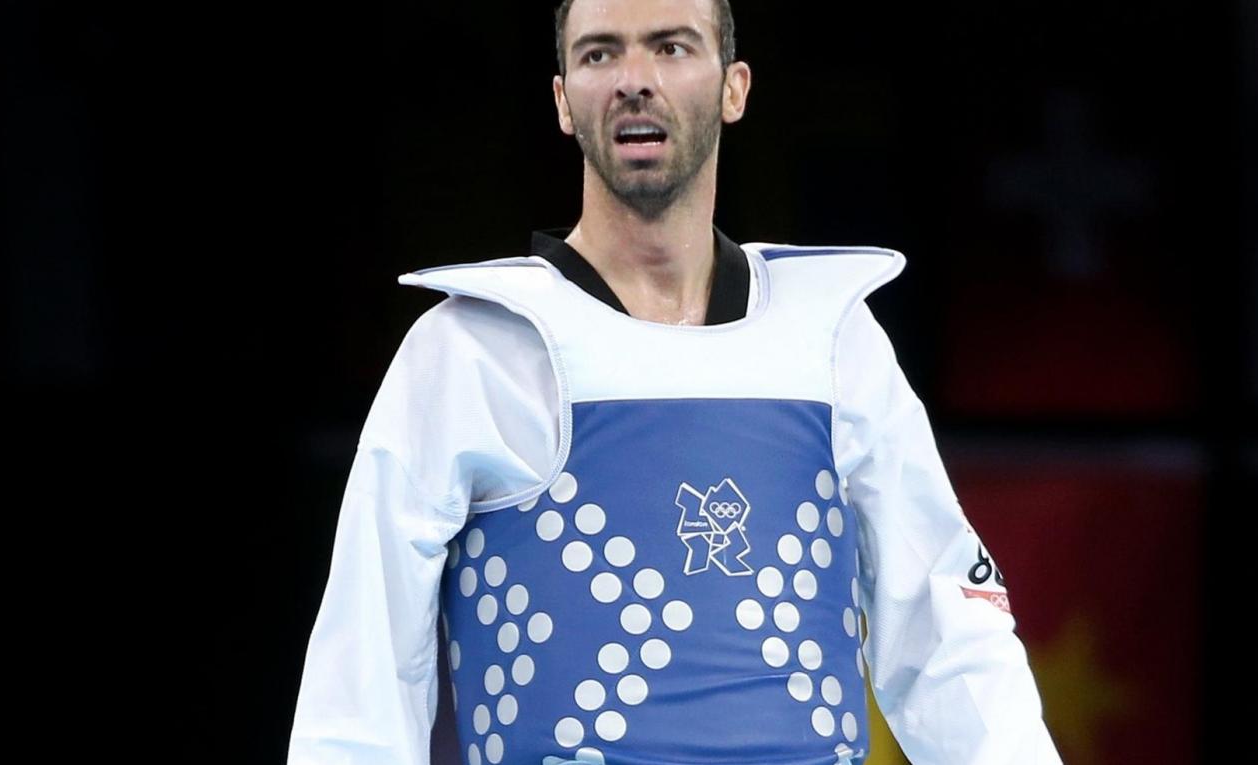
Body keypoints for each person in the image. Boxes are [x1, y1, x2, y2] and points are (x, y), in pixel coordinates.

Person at [287, 0, 1063, 763]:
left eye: (671, 46)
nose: (634, 78)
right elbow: (363, 676)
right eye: (599, 53)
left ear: (734, 87)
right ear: (562, 100)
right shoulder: (470, 349)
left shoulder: (834, 338)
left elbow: (947, 631)